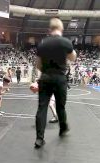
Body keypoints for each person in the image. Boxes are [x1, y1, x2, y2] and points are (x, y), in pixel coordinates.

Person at [34, 18, 77, 148]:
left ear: (49, 29)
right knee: (60, 106)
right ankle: (63, 128)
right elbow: (73, 58)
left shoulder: (42, 44)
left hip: (46, 77)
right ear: (61, 29)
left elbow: (38, 64)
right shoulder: (66, 42)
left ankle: (39, 139)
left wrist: (46, 72)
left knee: (42, 108)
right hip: (60, 78)